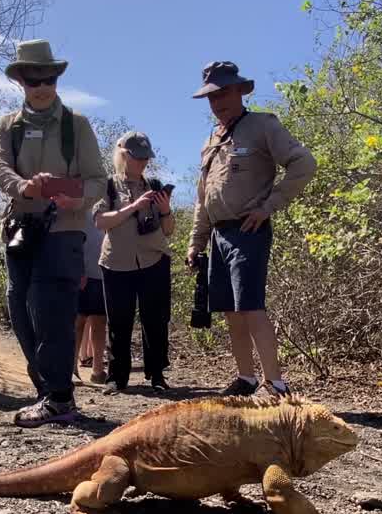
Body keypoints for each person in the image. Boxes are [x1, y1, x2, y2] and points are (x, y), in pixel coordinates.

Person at [0, 39, 106, 427]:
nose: (41, 86)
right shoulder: (9, 126)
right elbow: (0, 167)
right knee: (20, 310)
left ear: (57, 79)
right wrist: (24, 187)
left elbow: (97, 180)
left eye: (48, 79)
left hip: (63, 230)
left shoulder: (78, 125)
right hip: (21, 230)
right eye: (33, 79)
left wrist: (77, 199)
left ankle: (59, 397)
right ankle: (48, 389)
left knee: (52, 311)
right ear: (20, 80)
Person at [185, 61, 317, 397]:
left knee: (251, 306)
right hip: (218, 236)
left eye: (223, 93)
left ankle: (276, 384)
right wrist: (196, 243)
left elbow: (304, 163)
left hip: (249, 230)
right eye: (212, 96)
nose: (217, 102)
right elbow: (203, 198)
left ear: (240, 91)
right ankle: (246, 378)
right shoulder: (210, 140)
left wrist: (267, 206)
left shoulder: (262, 125)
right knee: (231, 311)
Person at [94, 131, 175, 393]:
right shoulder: (108, 185)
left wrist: (165, 210)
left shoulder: (154, 184)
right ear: (123, 155)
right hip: (116, 262)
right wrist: (132, 207)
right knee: (119, 321)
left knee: (156, 320)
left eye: (145, 158)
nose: (142, 162)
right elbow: (100, 221)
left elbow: (168, 230)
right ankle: (117, 378)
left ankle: (157, 375)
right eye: (137, 157)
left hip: (154, 259)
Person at [74, 208, 108, 385]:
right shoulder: (81, 206)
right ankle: (72, 369)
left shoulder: (109, 203)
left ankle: (98, 370)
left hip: (103, 271)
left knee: (100, 321)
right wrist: (78, 268)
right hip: (82, 273)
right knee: (78, 321)